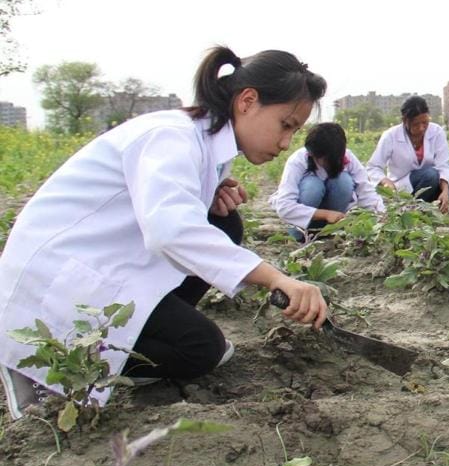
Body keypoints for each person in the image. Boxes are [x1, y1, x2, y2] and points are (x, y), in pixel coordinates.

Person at [0, 46, 330, 420]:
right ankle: (40, 365)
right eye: (285, 125)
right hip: (54, 278)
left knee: (223, 222)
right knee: (200, 349)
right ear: (248, 101)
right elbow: (170, 230)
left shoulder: (205, 144)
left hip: (105, 266)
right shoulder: (171, 136)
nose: (286, 142)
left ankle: (132, 341)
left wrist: (205, 195)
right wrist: (274, 277)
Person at [270, 122, 386, 242]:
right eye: (322, 158)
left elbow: (366, 192)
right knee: (312, 186)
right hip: (301, 226)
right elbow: (284, 206)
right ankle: (301, 236)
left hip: (333, 224)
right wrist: (325, 214)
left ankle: (330, 231)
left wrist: (382, 218)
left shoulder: (348, 158)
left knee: (343, 181)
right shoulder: (297, 161)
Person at [365, 96, 449, 214]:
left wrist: (445, 191)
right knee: (431, 174)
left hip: (432, 179)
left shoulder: (436, 132)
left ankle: (435, 209)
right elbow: (373, 167)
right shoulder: (391, 136)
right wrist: (385, 181)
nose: (421, 128)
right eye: (416, 124)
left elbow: (442, 165)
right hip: (404, 186)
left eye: (425, 123)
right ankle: (412, 211)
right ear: (405, 121)